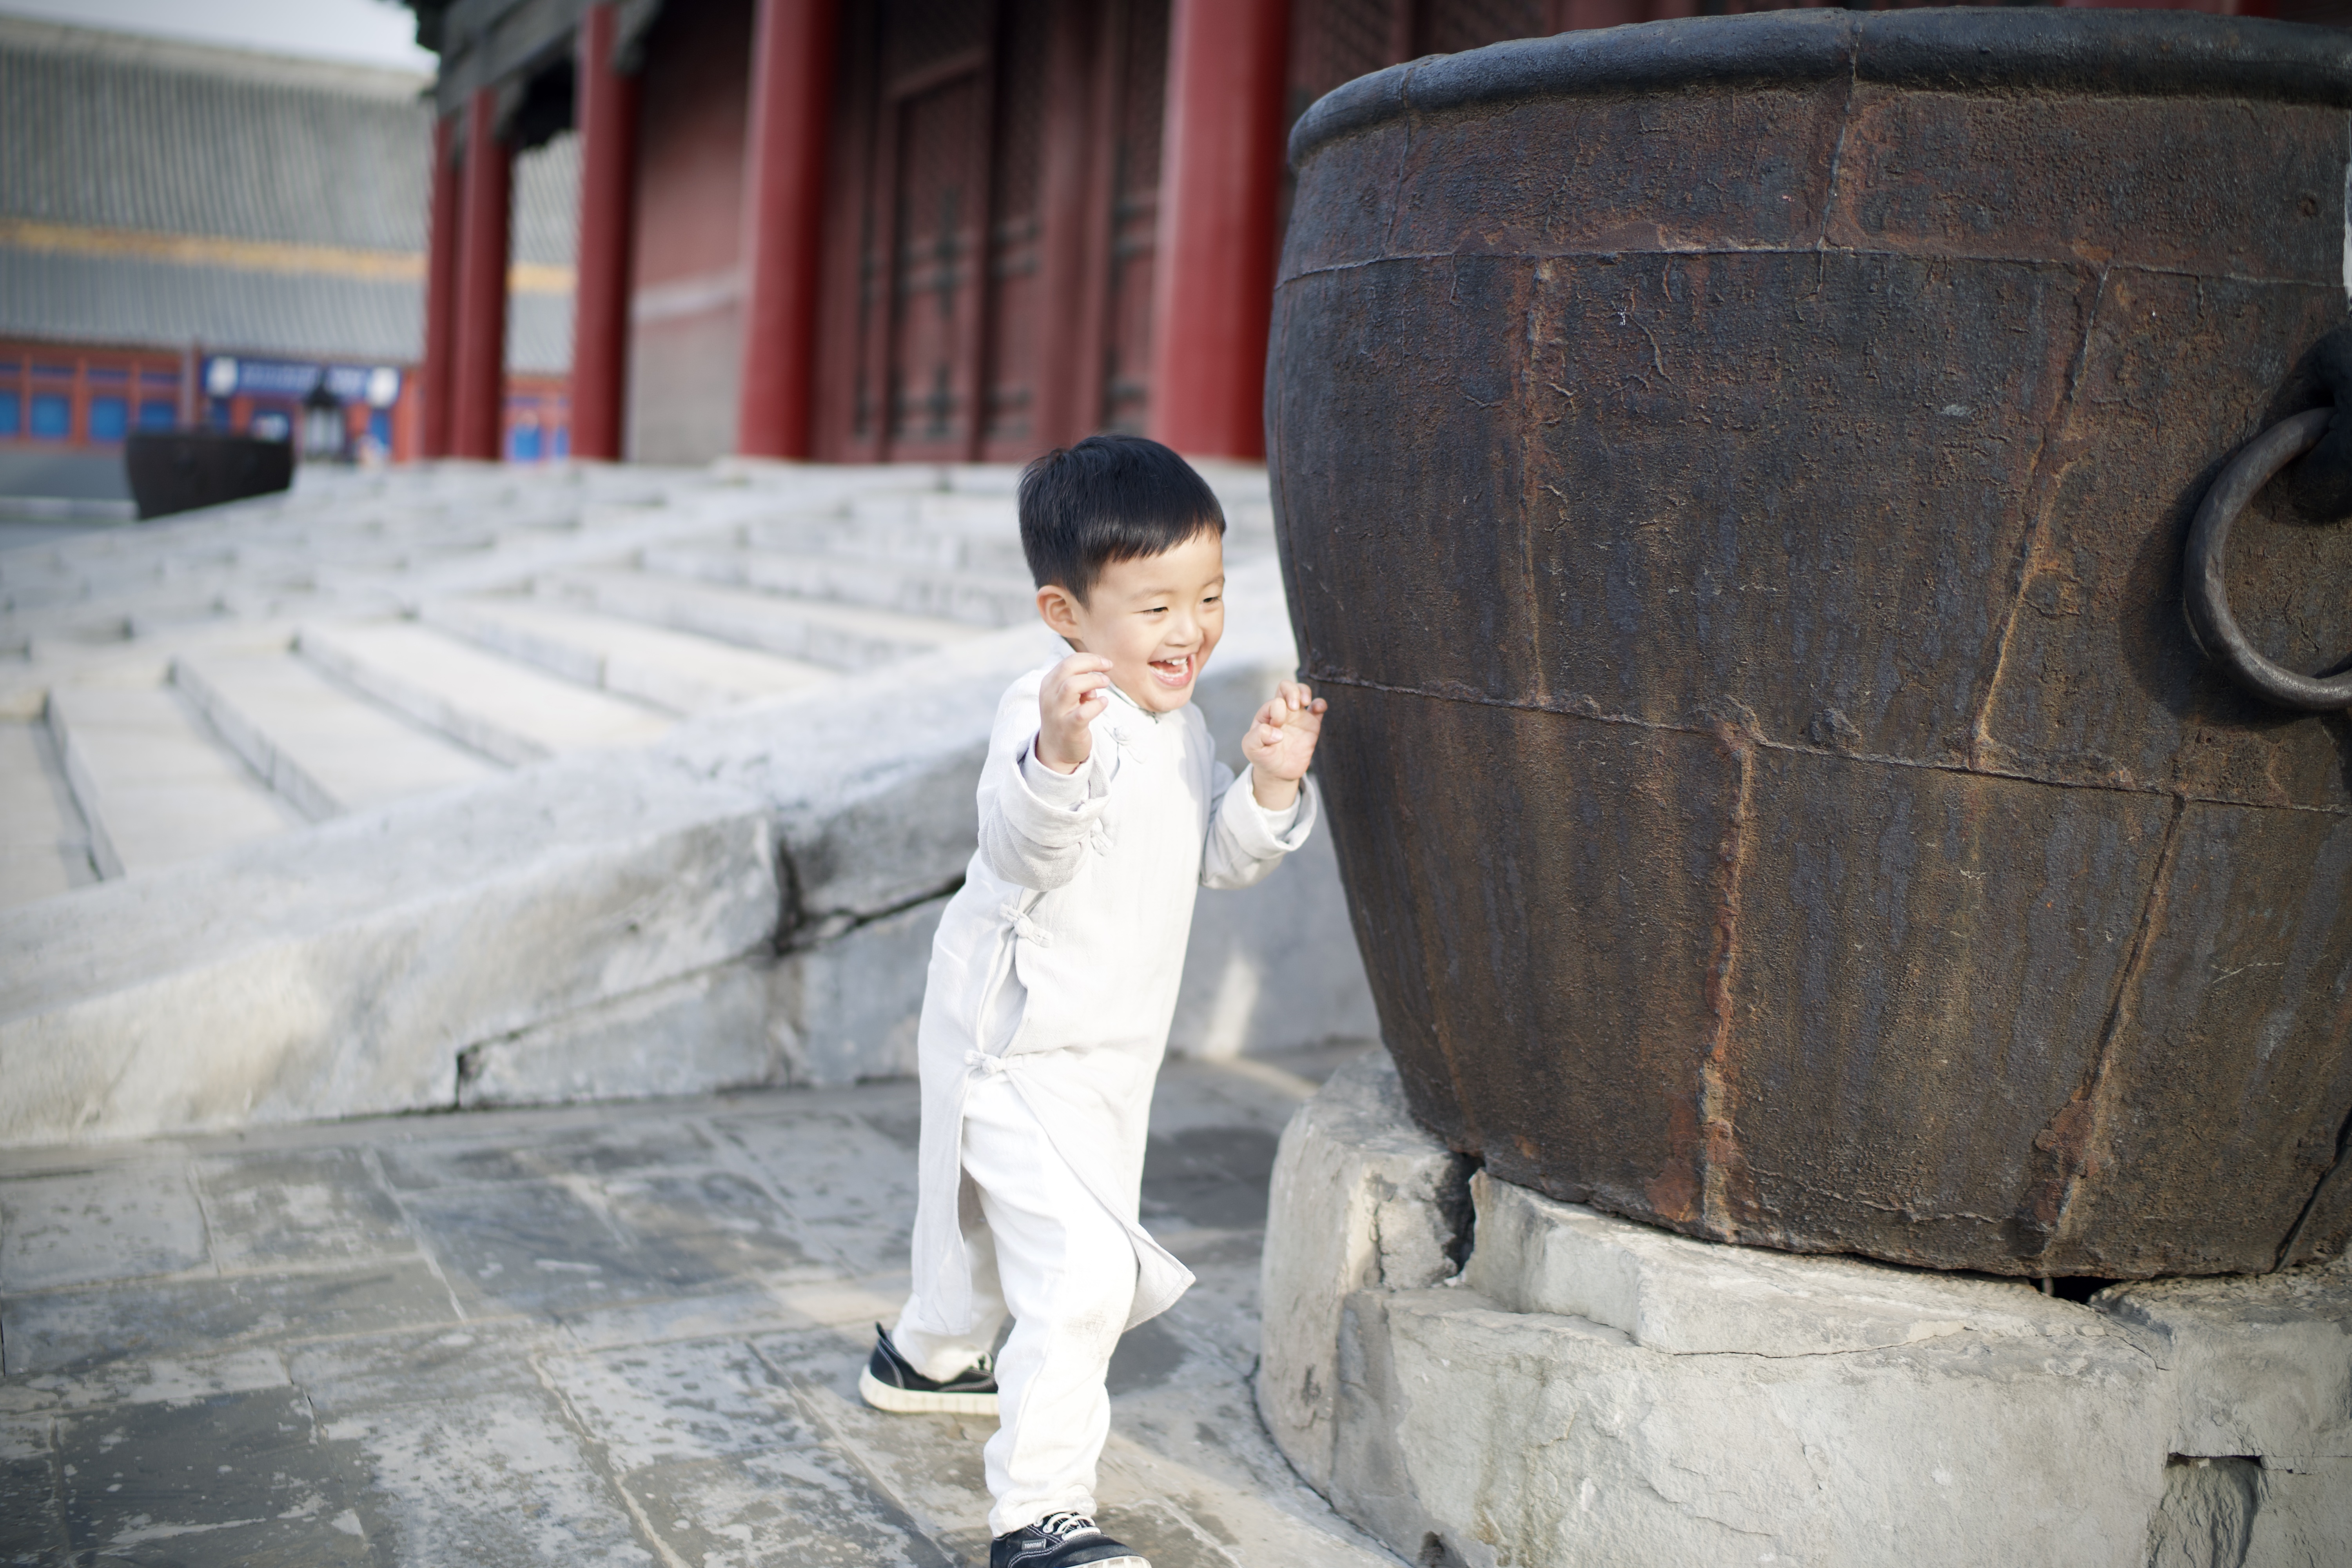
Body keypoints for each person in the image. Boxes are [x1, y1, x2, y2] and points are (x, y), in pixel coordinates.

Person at [857, 434, 1326, 1568]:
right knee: (1080, 1275)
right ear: (1065, 613)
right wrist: (1058, 761)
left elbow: (1204, 855)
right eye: (1155, 604)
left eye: (1208, 597)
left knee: (976, 1229)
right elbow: (1020, 847)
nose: (1191, 629)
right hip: (1010, 1042)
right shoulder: (1045, 709)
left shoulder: (1183, 722)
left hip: (1106, 1051)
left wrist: (1267, 784)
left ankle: (923, 1358)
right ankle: (1039, 1516)